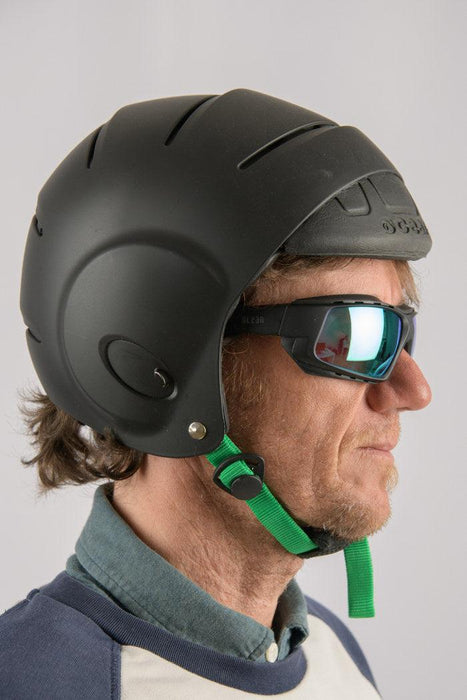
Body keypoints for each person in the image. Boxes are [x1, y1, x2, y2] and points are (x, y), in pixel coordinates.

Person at [0, 88, 432, 699]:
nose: (413, 389)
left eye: (400, 330)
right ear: (162, 362)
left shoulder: (334, 659)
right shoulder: (36, 683)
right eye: (354, 334)